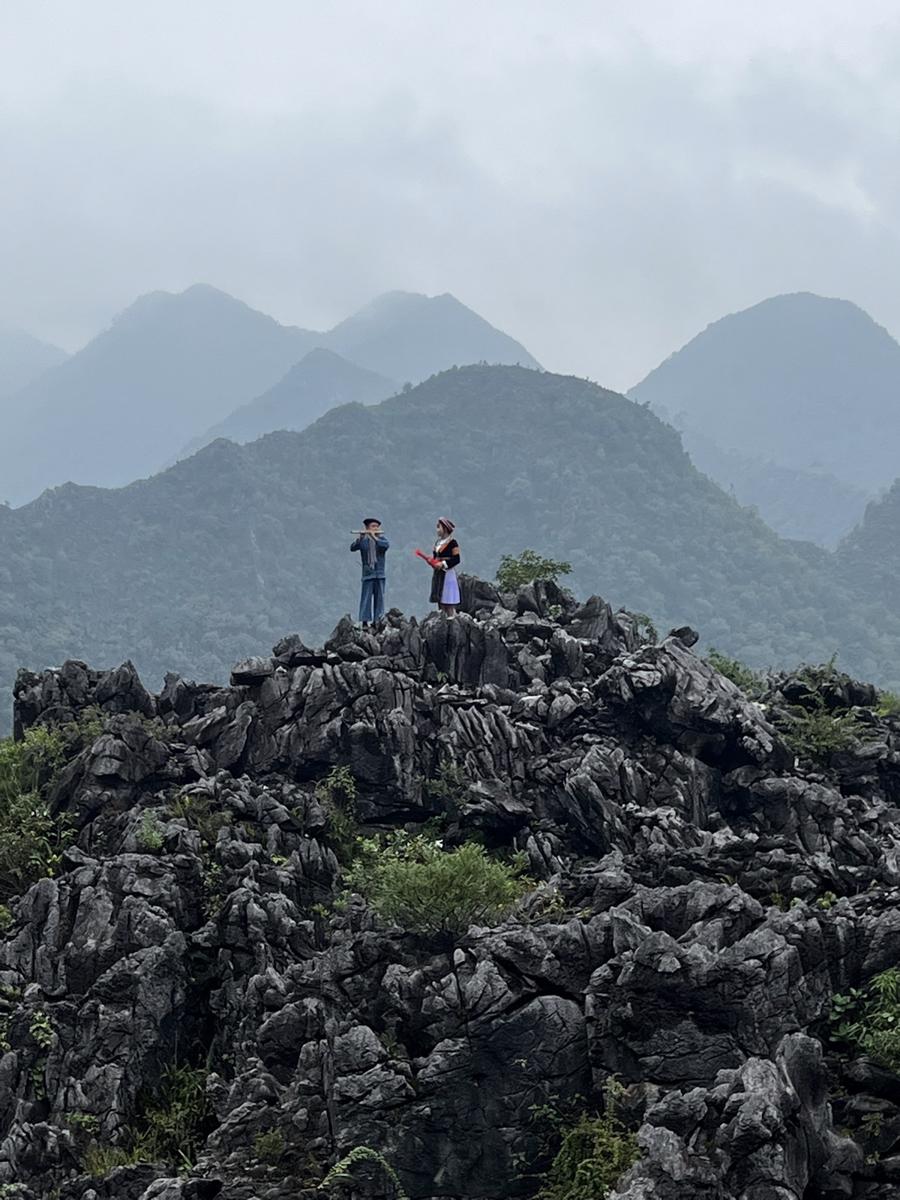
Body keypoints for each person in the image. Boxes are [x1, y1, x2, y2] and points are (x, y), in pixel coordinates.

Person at [350, 518, 389, 626]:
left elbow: (385, 546)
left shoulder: (382, 540)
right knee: (366, 598)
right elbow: (353, 548)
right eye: (373, 526)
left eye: (377, 526)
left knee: (379, 598)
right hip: (368, 574)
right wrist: (361, 538)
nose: (376, 528)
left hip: (380, 574)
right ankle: (365, 622)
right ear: (367, 528)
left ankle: (378, 620)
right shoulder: (364, 541)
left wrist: (374, 537)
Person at [430, 517, 461, 615]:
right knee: (440, 597)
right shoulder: (437, 543)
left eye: (439, 527)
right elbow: (435, 558)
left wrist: (443, 564)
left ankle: (451, 617)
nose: (437, 530)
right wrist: (434, 563)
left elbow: (456, 559)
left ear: (445, 529)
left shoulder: (452, 543)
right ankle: (442, 617)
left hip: (448, 574)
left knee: (448, 599)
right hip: (438, 573)